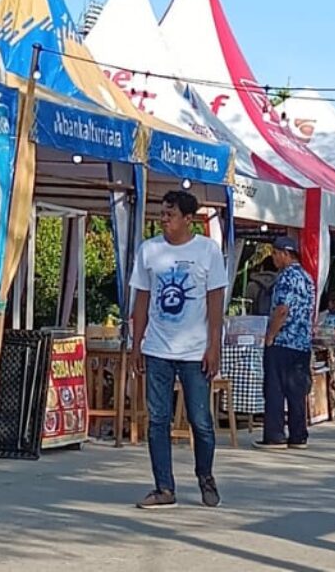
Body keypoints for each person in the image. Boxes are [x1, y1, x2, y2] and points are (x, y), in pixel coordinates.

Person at [130, 190, 225, 511]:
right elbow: (141, 299)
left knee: (201, 421)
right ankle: (163, 487)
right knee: (158, 419)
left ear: (189, 219)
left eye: (171, 214)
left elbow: (216, 303)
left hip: (195, 352)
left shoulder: (208, 251)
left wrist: (214, 345)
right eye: (162, 213)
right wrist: (136, 343)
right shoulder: (149, 250)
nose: (164, 219)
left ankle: (205, 477)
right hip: (157, 347)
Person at [256, 236, 316, 450]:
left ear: (285, 254)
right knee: (296, 390)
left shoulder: (285, 278)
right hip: (302, 343)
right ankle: (298, 435)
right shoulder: (308, 278)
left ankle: (275, 435)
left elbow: (282, 310)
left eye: (274, 253)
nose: (273, 258)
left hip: (283, 341)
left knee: (275, 389)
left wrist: (271, 335)